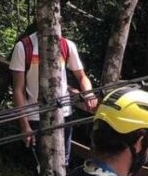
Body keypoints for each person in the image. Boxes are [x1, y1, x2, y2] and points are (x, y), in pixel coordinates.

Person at [9, 26, 97, 167]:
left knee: (63, 164)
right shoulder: (23, 47)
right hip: (35, 117)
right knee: (41, 167)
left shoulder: (66, 45)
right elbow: (18, 89)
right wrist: (24, 125)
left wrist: (89, 94)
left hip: (64, 115)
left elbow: (82, 77)